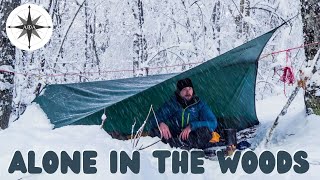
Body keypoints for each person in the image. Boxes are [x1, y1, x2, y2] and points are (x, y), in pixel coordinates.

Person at [149, 78, 218, 150]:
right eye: (184, 89)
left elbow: (213, 123)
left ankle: (184, 146)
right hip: (174, 135)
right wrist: (161, 123)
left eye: (190, 89)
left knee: (206, 132)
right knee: (155, 131)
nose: (188, 92)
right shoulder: (172, 104)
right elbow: (153, 119)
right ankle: (175, 145)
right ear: (179, 92)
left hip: (192, 136)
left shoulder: (199, 104)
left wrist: (192, 126)